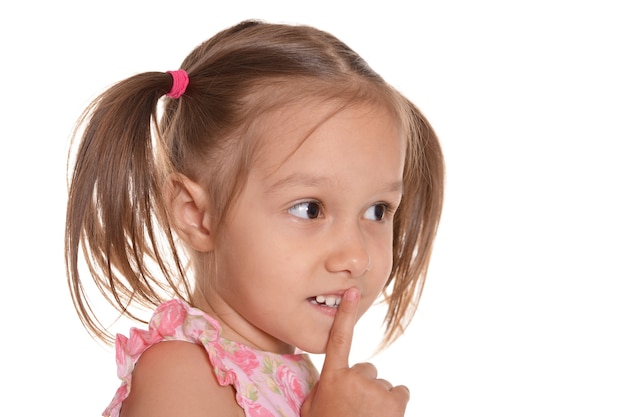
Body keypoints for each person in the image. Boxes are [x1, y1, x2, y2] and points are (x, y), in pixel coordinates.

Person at [65, 19, 444, 417]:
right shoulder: (180, 375)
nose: (356, 257)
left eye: (377, 210)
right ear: (196, 215)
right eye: (309, 209)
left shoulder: (296, 374)